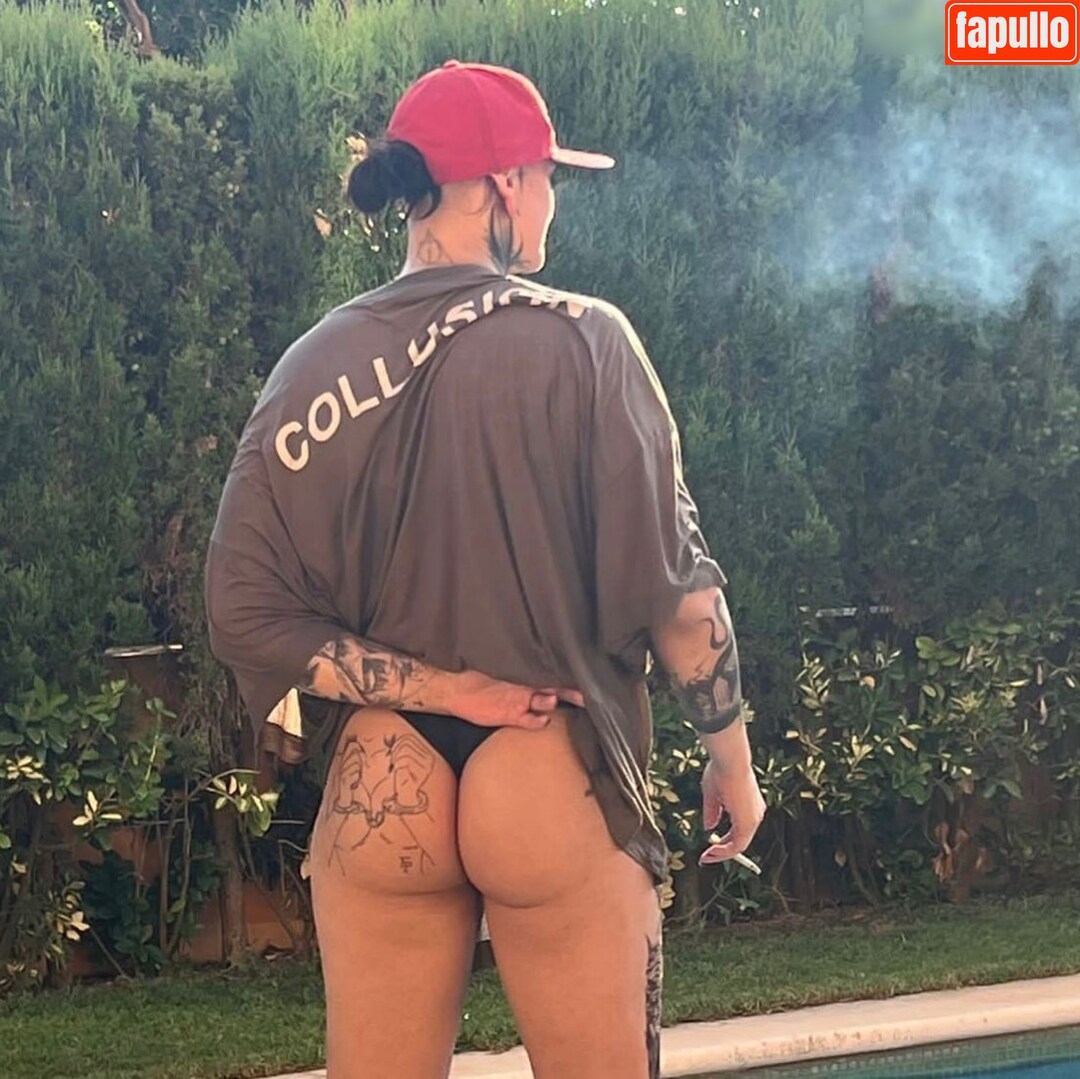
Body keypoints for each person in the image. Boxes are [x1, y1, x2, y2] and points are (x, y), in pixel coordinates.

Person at [205, 60, 765, 1079]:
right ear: (504, 183)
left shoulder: (310, 366)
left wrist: (440, 688)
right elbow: (683, 602)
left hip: (384, 778)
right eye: (547, 176)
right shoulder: (587, 339)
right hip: (551, 763)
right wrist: (731, 753)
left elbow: (241, 611)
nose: (552, 199)